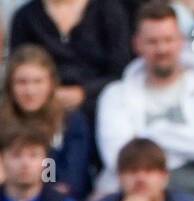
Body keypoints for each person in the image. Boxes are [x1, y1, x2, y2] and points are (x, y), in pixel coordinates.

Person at [95, 1, 194, 197]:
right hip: (137, 194)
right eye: (153, 42)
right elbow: (116, 158)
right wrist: (189, 143)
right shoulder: (115, 94)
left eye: (168, 40)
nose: (162, 49)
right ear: (137, 44)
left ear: (181, 42)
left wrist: (152, 134)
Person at [6, 0, 132, 130]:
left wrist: (83, 92)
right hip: (40, 115)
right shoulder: (26, 16)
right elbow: (17, 69)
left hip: (100, 110)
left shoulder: (108, 10)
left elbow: (121, 71)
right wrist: (47, 93)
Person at [0, 45, 92, 200]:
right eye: (22, 82)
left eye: (38, 82)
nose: (30, 91)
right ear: (10, 85)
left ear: (51, 84)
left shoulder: (71, 121)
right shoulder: (2, 123)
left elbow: (74, 179)